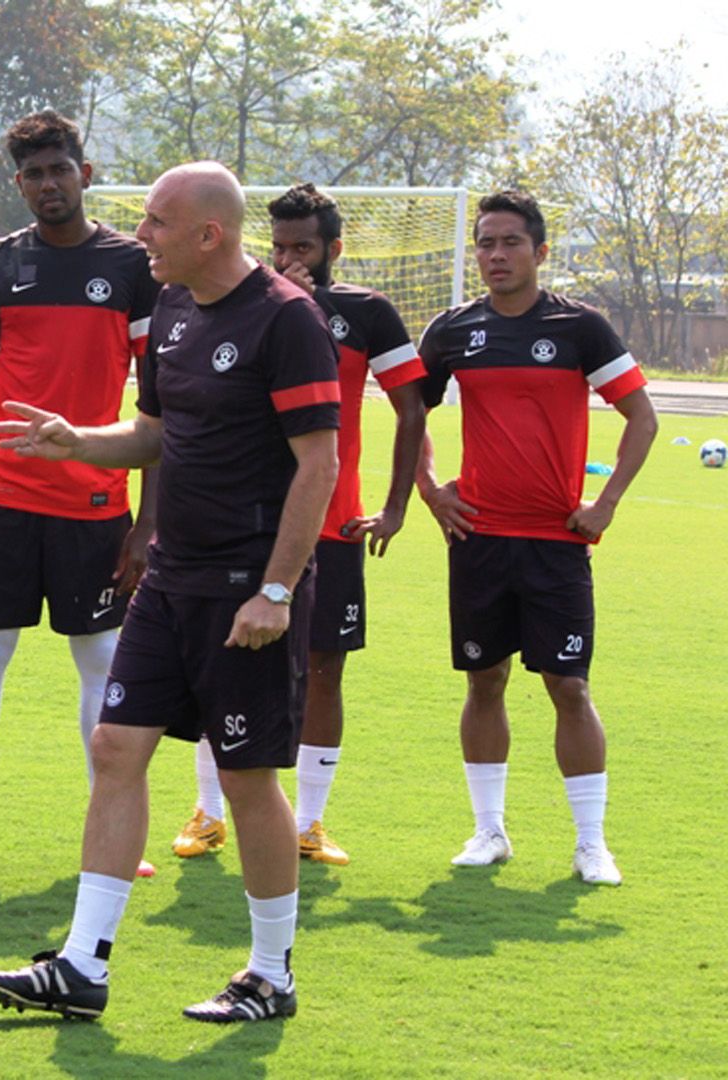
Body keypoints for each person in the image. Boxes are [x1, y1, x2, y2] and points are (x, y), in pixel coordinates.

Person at [0, 162, 339, 1023]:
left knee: (247, 780)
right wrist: (77, 443)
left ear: (209, 234)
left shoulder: (287, 321)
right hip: (173, 579)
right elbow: (154, 435)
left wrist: (277, 592)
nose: (141, 237)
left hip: (247, 592)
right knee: (115, 749)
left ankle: (271, 975)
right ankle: (82, 965)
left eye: (156, 223)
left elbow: (318, 465)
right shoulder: (170, 311)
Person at [0, 110, 159, 878]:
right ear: (18, 183)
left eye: (60, 169)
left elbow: (159, 407)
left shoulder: (134, 267)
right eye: (32, 173)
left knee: (102, 662)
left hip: (95, 504)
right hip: (4, 500)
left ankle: (107, 828)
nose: (48, 184)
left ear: (85, 174)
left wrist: (148, 522)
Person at [174, 182, 427, 866]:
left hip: (334, 524)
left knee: (322, 671)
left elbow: (412, 409)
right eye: (278, 246)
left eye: (304, 247)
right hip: (246, 525)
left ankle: (310, 821)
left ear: (334, 248)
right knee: (216, 662)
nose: (288, 259)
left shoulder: (367, 313)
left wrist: (400, 504)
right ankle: (207, 810)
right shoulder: (248, 309)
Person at [416, 190, 655, 886]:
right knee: (482, 679)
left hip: (556, 541)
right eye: (486, 242)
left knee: (568, 686)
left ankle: (591, 844)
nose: (495, 254)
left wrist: (605, 503)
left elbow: (641, 418)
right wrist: (432, 491)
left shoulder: (580, 328)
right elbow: (409, 413)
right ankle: (489, 831)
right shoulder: (454, 330)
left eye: (510, 242)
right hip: (480, 539)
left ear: (540, 252)